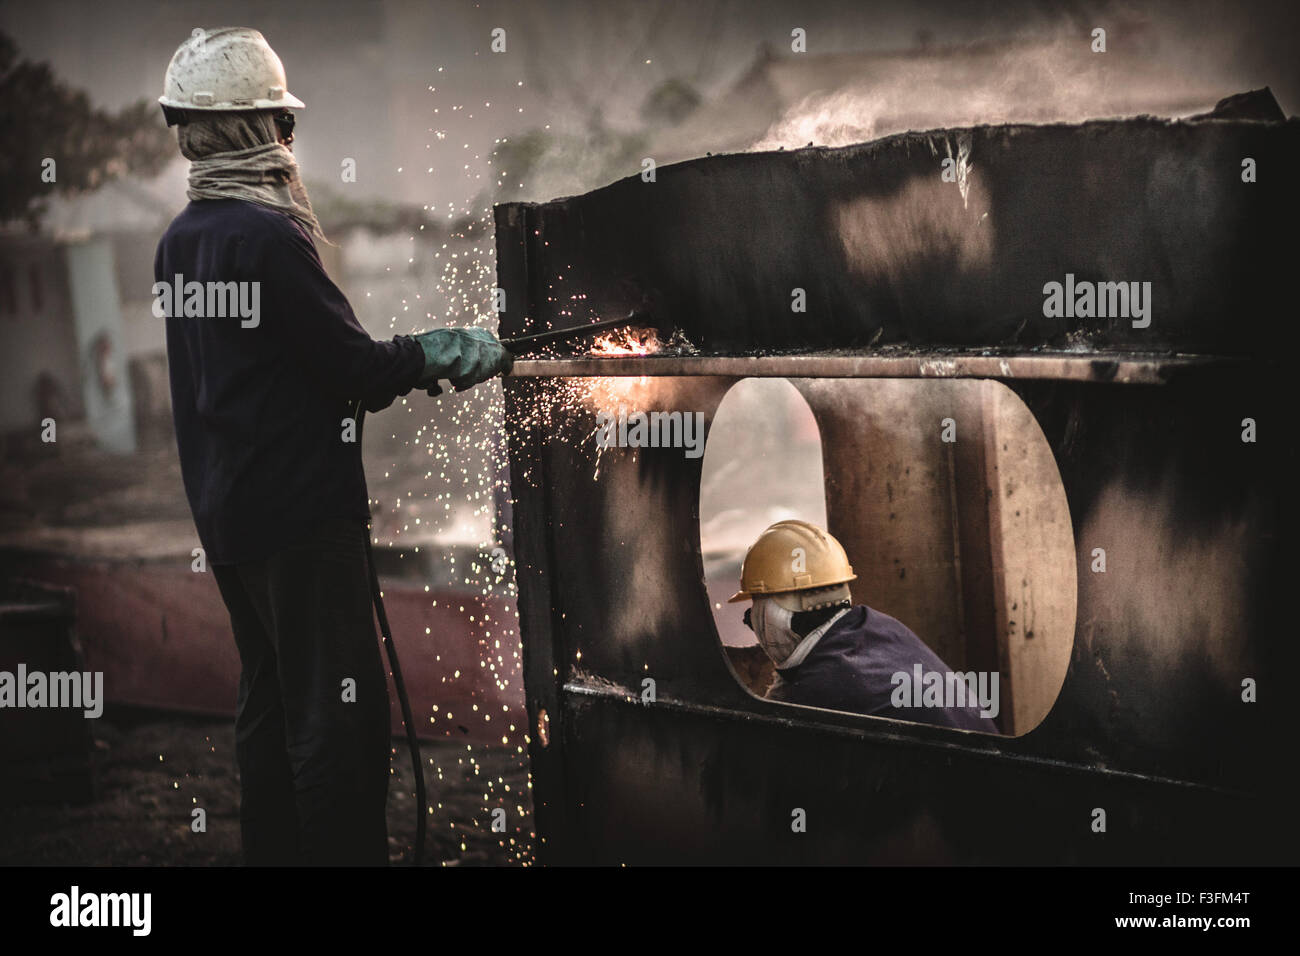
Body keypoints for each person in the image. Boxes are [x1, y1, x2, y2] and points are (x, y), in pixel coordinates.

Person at [154, 27, 513, 865]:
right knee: (337, 728)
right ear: (255, 129)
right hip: (301, 520)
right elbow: (349, 367)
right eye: (280, 125)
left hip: (229, 519)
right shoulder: (269, 239)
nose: (288, 142)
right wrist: (440, 352)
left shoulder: (181, 240)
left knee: (271, 708)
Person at [728, 520, 991, 732]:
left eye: (755, 608)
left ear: (774, 613)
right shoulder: (882, 627)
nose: (753, 621)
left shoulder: (820, 689)